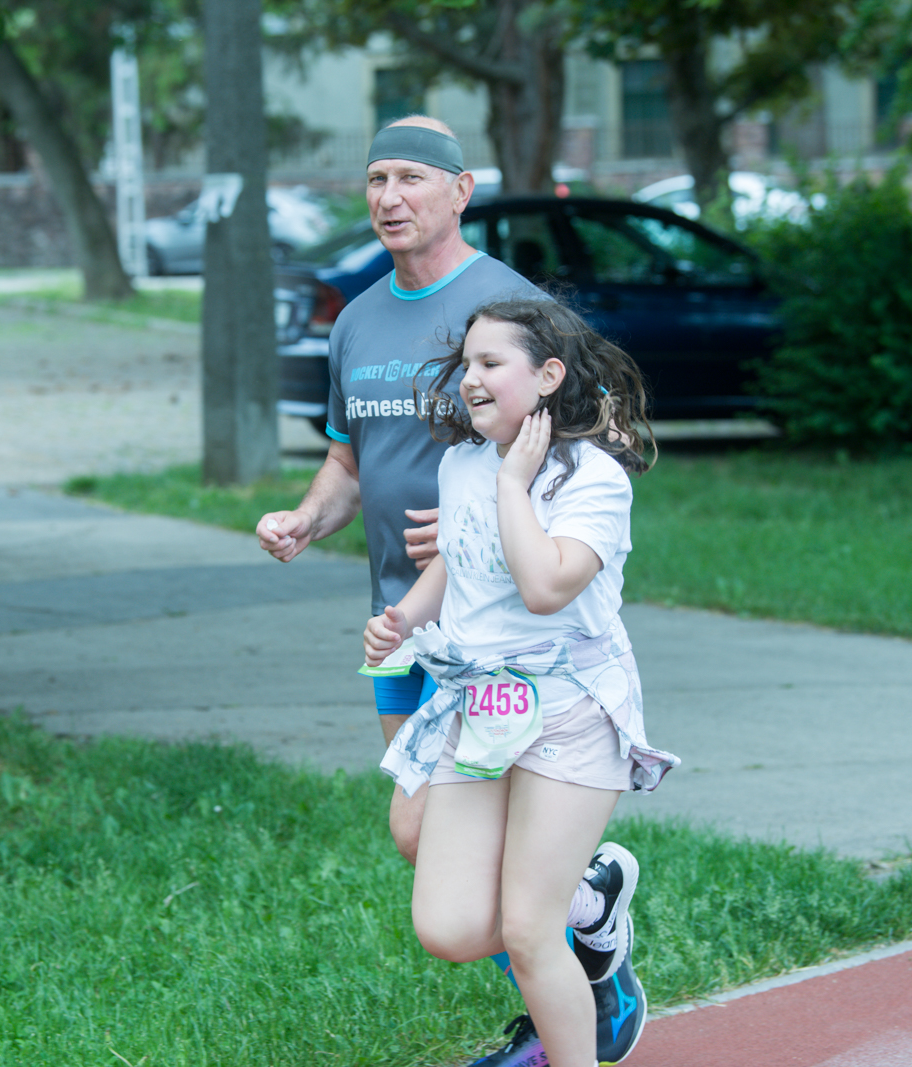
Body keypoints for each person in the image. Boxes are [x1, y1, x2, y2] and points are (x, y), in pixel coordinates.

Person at [258, 119, 652, 1066]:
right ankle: (583, 901)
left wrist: (494, 523)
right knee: (420, 838)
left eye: (411, 178)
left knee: (520, 902)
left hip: (537, 659)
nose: (389, 196)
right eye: (375, 179)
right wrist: (311, 518)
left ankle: (567, 1003)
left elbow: (562, 489)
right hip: (427, 629)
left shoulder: (508, 304)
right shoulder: (356, 318)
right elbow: (349, 458)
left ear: (460, 189)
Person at [364, 297, 680, 1067]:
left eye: (489, 364)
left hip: (572, 711)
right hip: (483, 708)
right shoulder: (461, 461)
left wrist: (515, 484)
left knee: (530, 931)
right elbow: (461, 555)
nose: (469, 380)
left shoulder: (595, 480)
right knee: (448, 925)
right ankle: (589, 892)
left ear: (547, 375)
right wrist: (403, 617)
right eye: (465, 364)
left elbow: (545, 587)